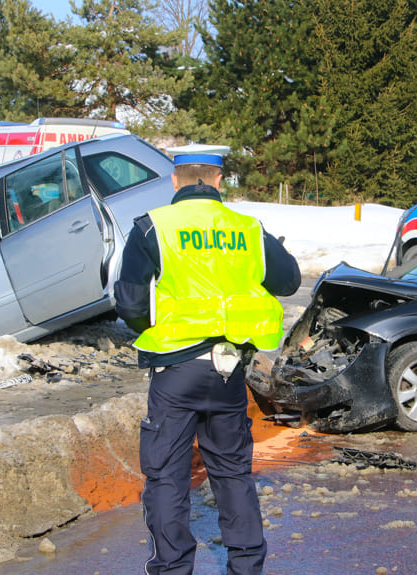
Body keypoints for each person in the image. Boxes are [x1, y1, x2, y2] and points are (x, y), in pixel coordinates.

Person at [114, 147, 301, 575]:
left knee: (166, 477)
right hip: (228, 370)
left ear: (176, 181)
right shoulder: (247, 229)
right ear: (218, 180)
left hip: (175, 370)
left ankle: (173, 569)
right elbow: (289, 281)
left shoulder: (152, 227)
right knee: (233, 475)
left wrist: (155, 323)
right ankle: (246, 568)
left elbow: (128, 301)